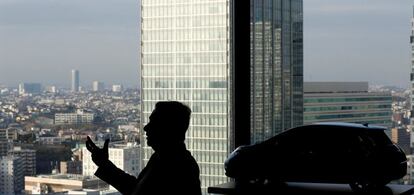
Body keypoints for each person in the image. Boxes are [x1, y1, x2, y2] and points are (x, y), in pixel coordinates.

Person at [86, 101, 201, 195]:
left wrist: (104, 165)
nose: (146, 127)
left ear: (167, 129)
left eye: (153, 123)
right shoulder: (165, 159)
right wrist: (104, 164)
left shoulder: (175, 166)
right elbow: (136, 188)